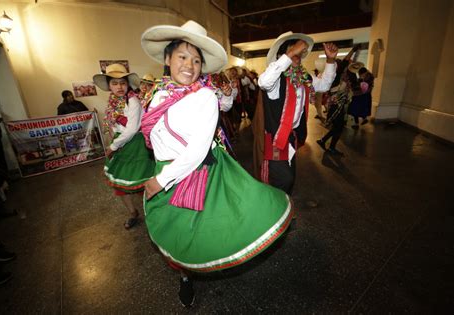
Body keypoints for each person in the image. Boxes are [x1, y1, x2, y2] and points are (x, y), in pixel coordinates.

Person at [140, 20, 292, 307]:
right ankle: (185, 277)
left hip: (192, 173)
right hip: (166, 170)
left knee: (202, 230)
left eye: (196, 60)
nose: (189, 65)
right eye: (182, 57)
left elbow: (197, 149)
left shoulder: (205, 97)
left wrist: (161, 179)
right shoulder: (158, 94)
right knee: (174, 232)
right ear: (167, 59)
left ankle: (192, 270)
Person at [254, 31, 337, 195]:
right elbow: (263, 82)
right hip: (276, 138)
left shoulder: (304, 76)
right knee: (283, 179)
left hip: (292, 137)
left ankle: (283, 206)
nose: (298, 53)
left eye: (299, 50)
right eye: (294, 49)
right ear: (283, 53)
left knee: (289, 176)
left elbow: (324, 85)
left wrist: (331, 60)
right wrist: (290, 53)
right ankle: (275, 210)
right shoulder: (276, 77)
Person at [92, 64, 155, 229]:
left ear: (127, 84)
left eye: (122, 83)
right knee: (119, 185)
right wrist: (114, 139)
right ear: (109, 86)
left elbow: (132, 129)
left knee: (141, 182)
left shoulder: (132, 101)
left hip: (135, 145)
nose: (119, 87)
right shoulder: (114, 101)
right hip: (121, 143)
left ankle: (153, 215)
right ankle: (133, 213)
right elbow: (113, 124)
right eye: (114, 83)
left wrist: (113, 146)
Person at [316, 64, 359, 155]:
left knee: (337, 127)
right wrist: (343, 90)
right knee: (338, 128)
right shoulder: (342, 79)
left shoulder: (343, 78)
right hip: (337, 106)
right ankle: (331, 147)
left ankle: (323, 141)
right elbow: (334, 91)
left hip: (338, 106)